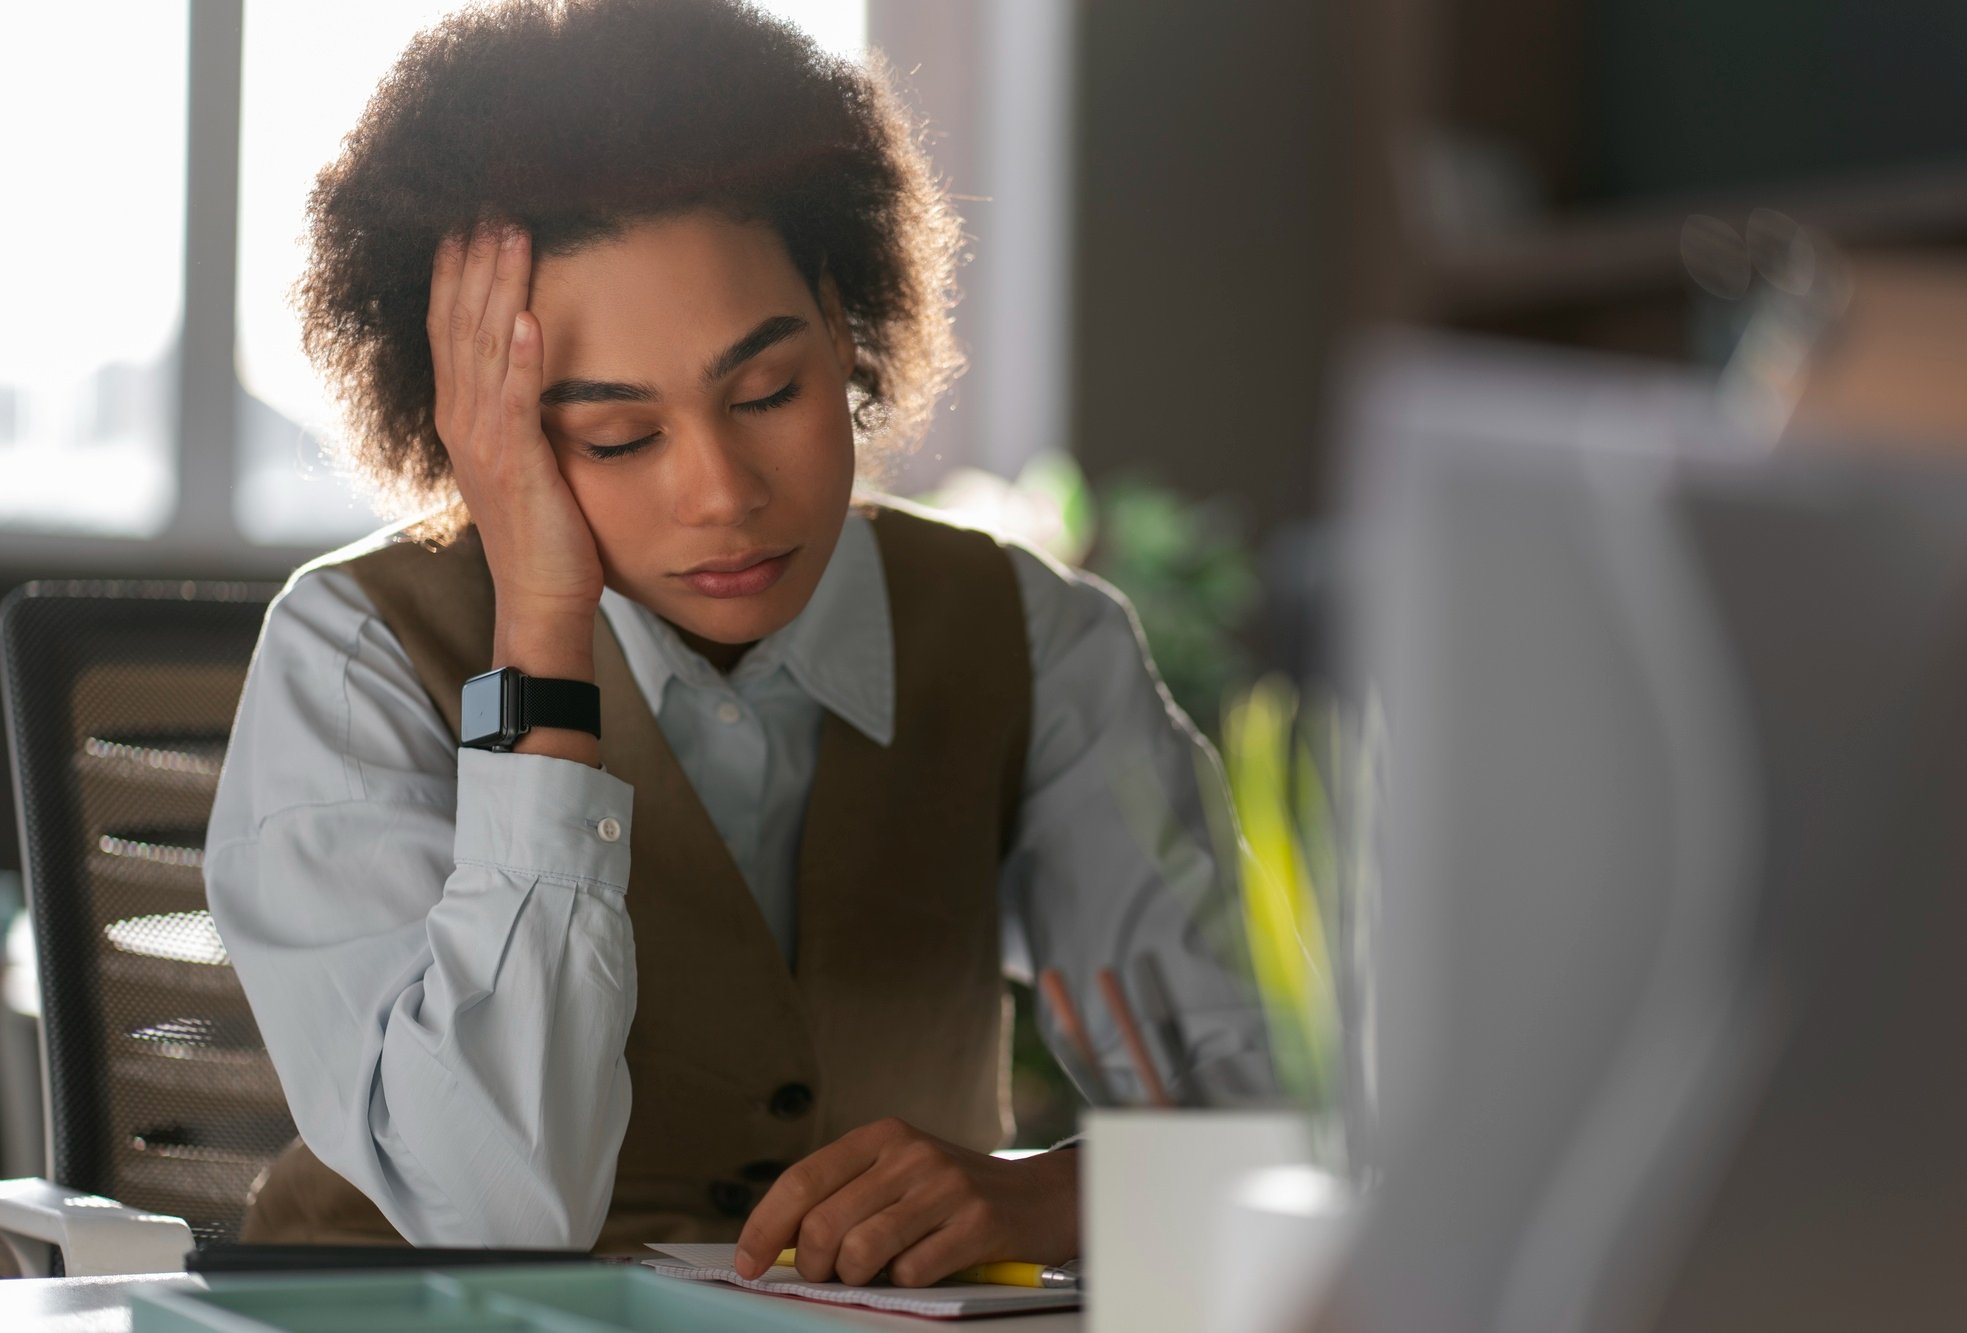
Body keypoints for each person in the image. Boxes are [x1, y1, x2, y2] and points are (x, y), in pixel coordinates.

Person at [203, 0, 1272, 1283]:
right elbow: (496, 1208)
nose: (720, 490)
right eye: (614, 438)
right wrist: (540, 638)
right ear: (480, 435)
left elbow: (1264, 1117)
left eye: (768, 392)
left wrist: (1060, 1201)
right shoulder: (354, 656)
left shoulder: (1036, 644)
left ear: (842, 320)